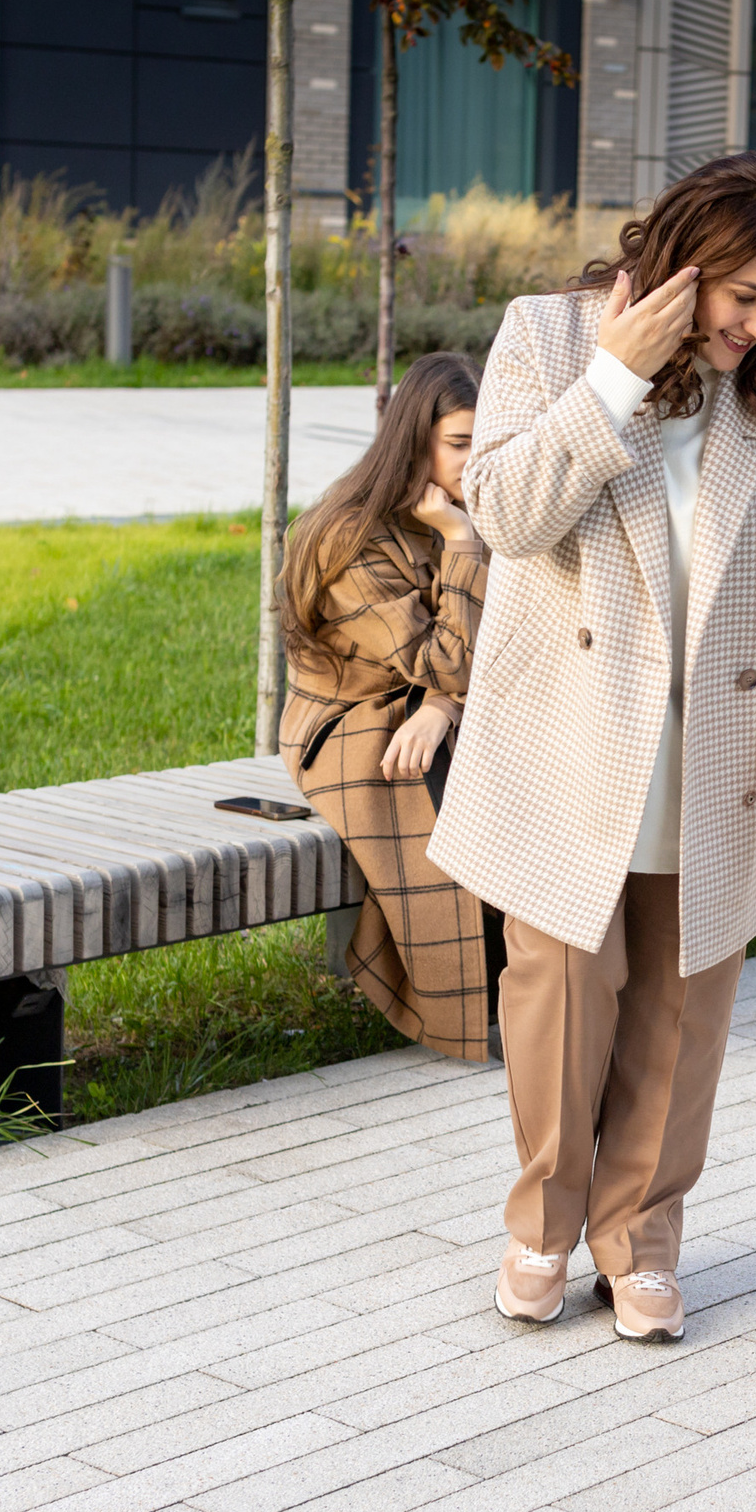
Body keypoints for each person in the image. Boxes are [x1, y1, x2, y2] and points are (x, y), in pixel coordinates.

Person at [433, 152, 756, 1344]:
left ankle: (640, 1239)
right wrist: (613, 381)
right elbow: (507, 516)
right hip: (572, 742)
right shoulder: (546, 335)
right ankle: (541, 1218)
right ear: (679, 262)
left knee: (682, 1011)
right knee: (561, 995)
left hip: (717, 750)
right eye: (744, 296)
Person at [278, 351, 501, 1061]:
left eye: (484, 443)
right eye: (460, 444)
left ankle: (539, 981)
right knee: (450, 776)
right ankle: (475, 998)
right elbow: (444, 655)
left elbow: (511, 641)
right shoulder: (347, 537)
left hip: (430, 707)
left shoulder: (464, 508)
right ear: (414, 440)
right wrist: (463, 543)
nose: (475, 462)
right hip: (345, 722)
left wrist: (442, 705)